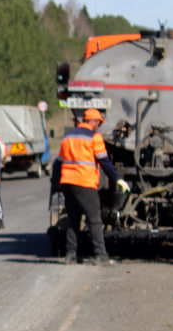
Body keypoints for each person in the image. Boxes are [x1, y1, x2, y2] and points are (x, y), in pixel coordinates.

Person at [50, 108, 128, 266]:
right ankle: (100, 255)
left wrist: (57, 182)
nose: (98, 126)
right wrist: (117, 179)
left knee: (73, 219)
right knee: (94, 220)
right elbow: (104, 161)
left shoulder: (69, 137)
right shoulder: (94, 137)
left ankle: (70, 255)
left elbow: (58, 162)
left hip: (67, 183)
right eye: (98, 122)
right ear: (92, 121)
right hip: (84, 182)